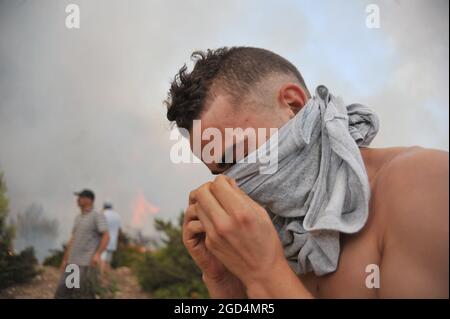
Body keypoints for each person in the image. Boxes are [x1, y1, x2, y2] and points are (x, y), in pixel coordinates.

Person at [165, 47, 449, 298]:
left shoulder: (421, 183)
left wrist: (264, 273)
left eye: (238, 156)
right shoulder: (271, 235)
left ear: (293, 105)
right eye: (219, 172)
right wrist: (224, 281)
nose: (235, 181)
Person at [55, 189, 110, 299]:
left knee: (83, 294)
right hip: (73, 264)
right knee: (64, 294)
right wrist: (65, 260)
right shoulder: (78, 218)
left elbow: (106, 236)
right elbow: (73, 239)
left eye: (80, 197)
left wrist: (98, 254)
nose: (77, 200)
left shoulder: (97, 215)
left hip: (85, 264)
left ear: (89, 200)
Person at [100, 202, 121, 273]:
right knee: (108, 260)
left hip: (104, 240)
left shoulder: (103, 214)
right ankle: (107, 275)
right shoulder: (117, 215)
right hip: (113, 241)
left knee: (102, 259)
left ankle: (102, 275)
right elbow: (119, 229)